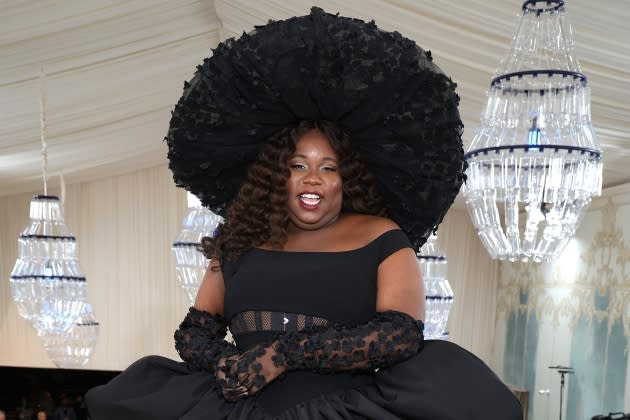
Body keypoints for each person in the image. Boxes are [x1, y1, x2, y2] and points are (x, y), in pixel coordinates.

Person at [86, 7, 523, 420]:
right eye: (299, 165)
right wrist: (228, 362)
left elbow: (400, 333)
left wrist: (284, 355)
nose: (312, 178)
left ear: (346, 178)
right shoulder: (238, 238)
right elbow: (194, 332)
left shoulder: (382, 237)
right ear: (279, 174)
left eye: (327, 167)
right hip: (234, 409)